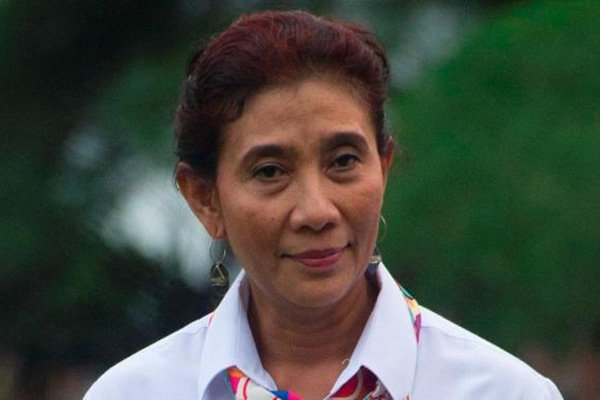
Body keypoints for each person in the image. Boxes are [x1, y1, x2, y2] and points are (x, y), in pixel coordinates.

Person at [84, 10, 563, 400]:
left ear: (384, 167)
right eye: (270, 171)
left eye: (343, 161)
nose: (316, 212)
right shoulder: (134, 393)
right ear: (205, 199)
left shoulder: (503, 392)